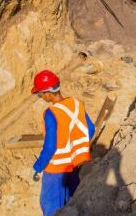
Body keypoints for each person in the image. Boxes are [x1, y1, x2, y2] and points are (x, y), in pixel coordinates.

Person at [31, 70, 95, 216]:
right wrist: (75, 151)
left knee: (51, 208)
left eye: (40, 94)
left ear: (48, 93)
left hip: (55, 171)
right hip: (74, 165)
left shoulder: (51, 113)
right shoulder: (77, 104)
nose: (41, 97)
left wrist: (37, 167)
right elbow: (90, 128)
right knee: (71, 203)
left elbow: (50, 146)